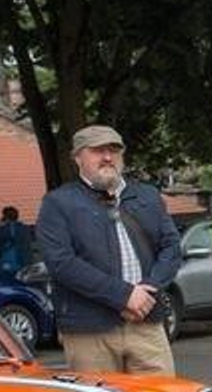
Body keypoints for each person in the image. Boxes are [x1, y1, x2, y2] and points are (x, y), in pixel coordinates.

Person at [35, 125, 181, 373]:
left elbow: (171, 248)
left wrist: (149, 288)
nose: (107, 157)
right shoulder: (59, 203)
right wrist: (124, 295)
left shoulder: (146, 196)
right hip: (89, 331)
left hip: (146, 324)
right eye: (97, 151)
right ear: (78, 157)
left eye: (114, 150)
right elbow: (61, 263)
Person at [0, 206, 31, 279]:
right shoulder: (24, 228)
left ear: (5, 217)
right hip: (23, 263)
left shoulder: (3, 229)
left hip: (6, 262)